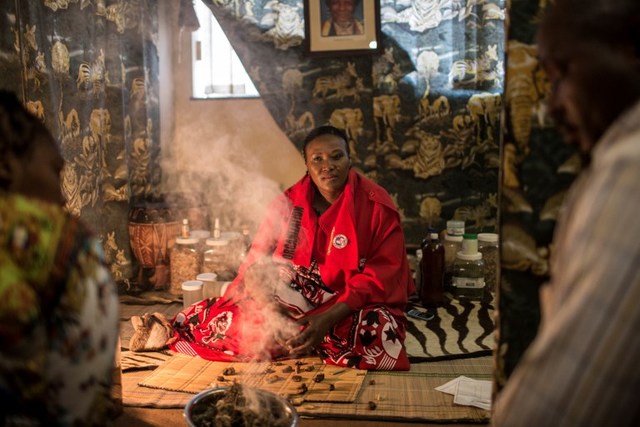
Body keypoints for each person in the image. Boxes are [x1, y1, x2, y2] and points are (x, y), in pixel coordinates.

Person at [492, 0, 640, 425]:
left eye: (561, 77)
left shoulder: (629, 172)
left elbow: (563, 405)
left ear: (630, 49)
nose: (551, 107)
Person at [170, 125, 415, 370]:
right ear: (307, 165)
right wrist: (272, 314)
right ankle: (303, 339)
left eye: (337, 156)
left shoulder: (377, 206)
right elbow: (256, 264)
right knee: (249, 331)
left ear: (350, 159)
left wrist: (325, 320)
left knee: (377, 333)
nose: (327, 165)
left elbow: (380, 276)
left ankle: (309, 337)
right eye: (317, 159)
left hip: (348, 302)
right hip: (292, 297)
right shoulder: (287, 203)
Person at [0, 90, 120, 426]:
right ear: (6, 167)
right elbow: (80, 399)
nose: (64, 196)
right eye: (55, 171)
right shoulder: (64, 243)